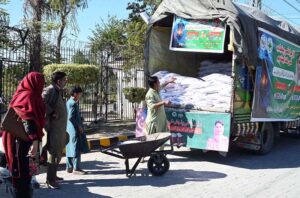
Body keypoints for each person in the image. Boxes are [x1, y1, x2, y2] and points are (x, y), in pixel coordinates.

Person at [2, 72, 46, 197]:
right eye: (41, 82)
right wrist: (35, 142)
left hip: (19, 137)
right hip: (21, 139)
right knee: (22, 169)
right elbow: (27, 118)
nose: (42, 85)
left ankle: (21, 190)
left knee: (22, 167)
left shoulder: (23, 93)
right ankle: (21, 193)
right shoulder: (29, 95)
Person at [42, 71, 67, 189]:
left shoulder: (57, 90)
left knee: (58, 152)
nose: (65, 82)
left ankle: (54, 175)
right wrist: (51, 112)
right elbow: (41, 102)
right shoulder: (50, 90)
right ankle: (50, 180)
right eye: (64, 80)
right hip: (53, 128)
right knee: (53, 153)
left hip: (60, 129)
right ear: (58, 81)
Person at [66, 86, 87, 175]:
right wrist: (79, 126)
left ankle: (69, 167)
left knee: (70, 146)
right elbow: (71, 117)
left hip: (69, 128)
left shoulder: (68, 102)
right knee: (76, 148)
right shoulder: (73, 103)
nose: (80, 96)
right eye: (79, 94)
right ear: (75, 94)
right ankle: (76, 168)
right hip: (74, 129)